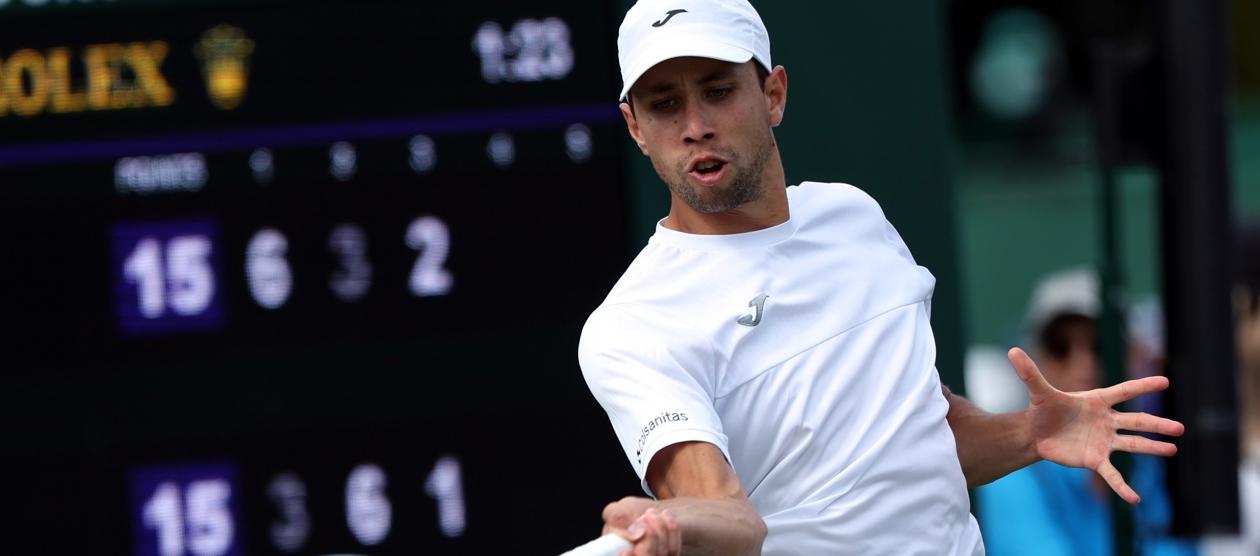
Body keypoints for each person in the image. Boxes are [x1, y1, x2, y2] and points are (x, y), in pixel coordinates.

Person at [577, 1, 1184, 553]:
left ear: (773, 94)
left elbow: (919, 435)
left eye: (717, 91)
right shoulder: (632, 329)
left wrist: (1030, 433)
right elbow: (730, 517)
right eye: (664, 105)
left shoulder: (854, 216)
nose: (695, 125)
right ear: (635, 127)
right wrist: (675, 522)